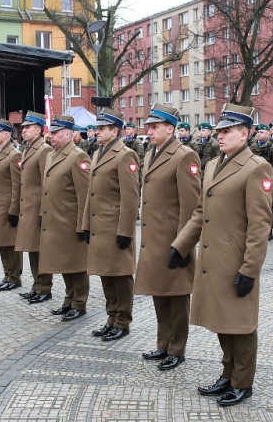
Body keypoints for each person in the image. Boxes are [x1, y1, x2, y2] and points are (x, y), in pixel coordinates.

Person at [171, 103, 273, 406]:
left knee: (240, 324)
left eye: (227, 131)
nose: (221, 136)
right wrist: (181, 245)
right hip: (212, 260)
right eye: (219, 131)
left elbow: (260, 225)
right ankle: (228, 374)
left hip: (236, 261)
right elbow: (201, 212)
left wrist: (250, 269)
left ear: (245, 133)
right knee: (221, 321)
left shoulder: (257, 168)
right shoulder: (214, 164)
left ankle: (242, 382)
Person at [135, 104, 201, 371]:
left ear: (170, 128)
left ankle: (177, 349)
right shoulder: (151, 154)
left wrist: (183, 245)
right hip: (154, 240)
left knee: (176, 297)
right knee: (159, 294)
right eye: (148, 127)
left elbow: (191, 206)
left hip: (173, 241)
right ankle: (163, 343)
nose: (148, 131)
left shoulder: (184, 156)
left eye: (154, 127)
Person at [81, 108, 140, 342]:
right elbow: (90, 193)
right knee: (106, 273)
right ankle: (111, 318)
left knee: (121, 275)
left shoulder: (125, 155)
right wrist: (85, 224)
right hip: (100, 226)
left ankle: (122, 321)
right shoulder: (98, 153)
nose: (97, 131)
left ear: (114, 130)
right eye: (97, 128)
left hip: (116, 226)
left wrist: (126, 230)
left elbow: (130, 196)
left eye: (102, 128)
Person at [38, 115, 91, 321]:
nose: (51, 136)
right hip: (55, 220)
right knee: (63, 263)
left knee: (76, 265)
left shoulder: (78, 157)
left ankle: (79, 303)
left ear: (68, 134)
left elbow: (84, 194)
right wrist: (43, 213)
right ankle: (69, 300)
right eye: (50, 132)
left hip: (70, 222)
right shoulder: (52, 154)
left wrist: (82, 224)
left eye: (55, 132)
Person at [15, 111, 53, 303]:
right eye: (23, 128)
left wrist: (42, 211)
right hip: (28, 207)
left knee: (40, 249)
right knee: (31, 248)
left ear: (38, 130)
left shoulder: (43, 150)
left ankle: (44, 288)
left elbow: (47, 183)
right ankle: (37, 286)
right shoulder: (28, 149)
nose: (24, 131)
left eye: (28, 127)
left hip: (37, 207)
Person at [0, 119, 23, 290]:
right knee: (1, 242)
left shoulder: (14, 155)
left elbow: (17, 185)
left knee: (10, 243)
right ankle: (7, 275)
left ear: (7, 135)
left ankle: (15, 277)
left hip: (8, 207)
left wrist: (14, 210)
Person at [249, 124, 273, 238]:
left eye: (262, 132)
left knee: (267, 205)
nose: (259, 134)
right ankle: (256, 228)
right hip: (253, 178)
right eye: (257, 132)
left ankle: (269, 230)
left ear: (268, 134)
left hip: (267, 180)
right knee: (254, 204)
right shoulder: (251, 146)